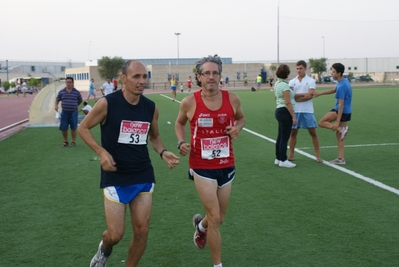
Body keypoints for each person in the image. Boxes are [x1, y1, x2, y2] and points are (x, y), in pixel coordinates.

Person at [78, 60, 180, 267]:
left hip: (142, 173)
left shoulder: (150, 107)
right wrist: (101, 152)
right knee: (115, 235)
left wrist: (163, 152)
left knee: (141, 231)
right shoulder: (108, 103)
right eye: (136, 77)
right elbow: (83, 128)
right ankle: (104, 249)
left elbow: (154, 137)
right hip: (115, 174)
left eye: (144, 77)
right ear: (123, 79)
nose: (142, 81)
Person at [175, 55, 246, 267]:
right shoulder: (189, 102)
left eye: (215, 72)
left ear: (220, 76)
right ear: (199, 77)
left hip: (226, 165)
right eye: (207, 73)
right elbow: (179, 124)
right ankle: (218, 265)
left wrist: (237, 128)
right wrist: (181, 142)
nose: (211, 77)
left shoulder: (232, 99)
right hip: (201, 165)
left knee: (218, 218)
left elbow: (241, 118)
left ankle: (200, 226)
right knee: (215, 218)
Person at [314, 63, 352, 164]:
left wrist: (337, 122)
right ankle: (341, 158)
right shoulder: (343, 81)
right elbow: (333, 90)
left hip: (340, 111)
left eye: (334, 71)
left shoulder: (342, 86)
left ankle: (341, 129)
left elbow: (341, 104)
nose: (332, 73)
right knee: (340, 136)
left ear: (339, 73)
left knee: (321, 122)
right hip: (347, 111)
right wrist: (319, 94)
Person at [288, 60, 322, 163]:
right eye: (297, 68)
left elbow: (309, 95)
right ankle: (291, 155)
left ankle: (318, 156)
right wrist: (303, 95)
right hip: (295, 111)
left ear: (305, 69)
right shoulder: (292, 81)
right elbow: (290, 96)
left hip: (307, 110)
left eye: (301, 68)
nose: (299, 70)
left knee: (313, 132)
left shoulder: (311, 81)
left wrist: (297, 98)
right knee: (293, 133)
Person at [274, 64, 297, 168]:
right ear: (287, 74)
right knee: (284, 138)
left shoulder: (278, 83)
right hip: (285, 111)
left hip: (279, 110)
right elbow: (288, 103)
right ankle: (283, 159)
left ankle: (278, 158)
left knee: (280, 137)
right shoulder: (284, 86)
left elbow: (276, 97)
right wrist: (293, 116)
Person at [55, 77, 83, 147]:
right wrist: (56, 105)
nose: (68, 83)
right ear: (65, 83)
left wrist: (75, 105)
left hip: (74, 112)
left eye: (70, 82)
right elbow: (57, 100)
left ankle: (73, 142)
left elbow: (80, 100)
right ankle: (65, 141)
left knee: (73, 127)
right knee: (64, 127)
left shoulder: (76, 92)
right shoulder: (61, 92)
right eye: (67, 82)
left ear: (73, 83)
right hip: (64, 113)